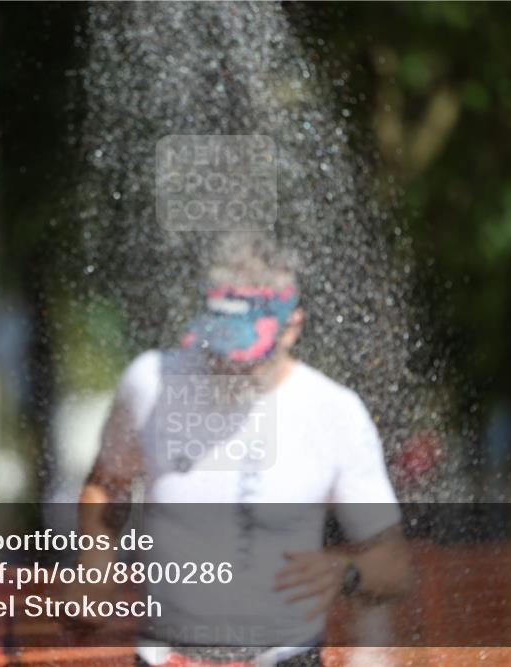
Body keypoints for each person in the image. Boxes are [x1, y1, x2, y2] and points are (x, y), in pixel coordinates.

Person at [74, 234, 411, 667]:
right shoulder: (151, 383)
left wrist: (346, 572)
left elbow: (394, 565)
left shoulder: (336, 413)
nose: (230, 366)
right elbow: (107, 483)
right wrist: (94, 569)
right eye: (221, 348)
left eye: (248, 354)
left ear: (293, 327)